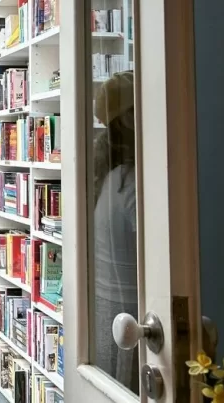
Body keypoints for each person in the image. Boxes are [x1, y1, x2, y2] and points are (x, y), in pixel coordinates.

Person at [91, 70, 140, 395]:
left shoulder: (111, 177)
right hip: (133, 313)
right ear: (127, 120)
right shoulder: (132, 184)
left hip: (107, 305)